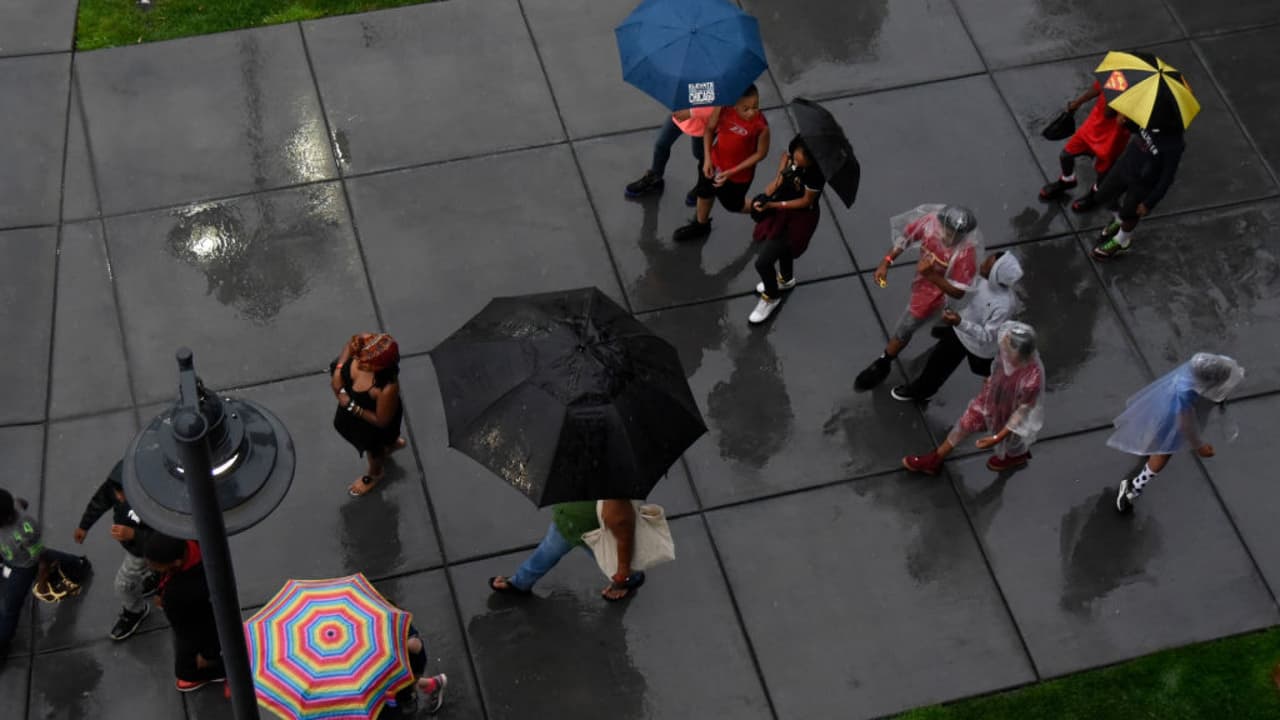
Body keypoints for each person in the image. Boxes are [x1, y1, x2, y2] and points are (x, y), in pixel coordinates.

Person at [855, 205, 982, 391]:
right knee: (941, 316)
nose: (951, 237)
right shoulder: (929, 224)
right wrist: (886, 262)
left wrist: (931, 275)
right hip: (924, 281)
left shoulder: (965, 255)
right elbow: (905, 239)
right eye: (948, 230)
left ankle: (884, 361)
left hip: (935, 293)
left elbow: (958, 291)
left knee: (907, 324)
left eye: (957, 234)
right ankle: (943, 327)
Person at [902, 322, 1046, 474]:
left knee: (1012, 438)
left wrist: (997, 437)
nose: (1002, 352)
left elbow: (1021, 412)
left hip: (1007, 410)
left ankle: (1016, 455)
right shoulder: (1008, 355)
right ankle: (935, 459)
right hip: (989, 399)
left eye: (1006, 349)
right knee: (965, 423)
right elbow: (997, 369)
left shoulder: (1031, 380)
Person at [1111, 353, 1244, 514]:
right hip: (1170, 415)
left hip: (1164, 401)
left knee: (1156, 430)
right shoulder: (1185, 392)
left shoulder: (1202, 364)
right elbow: (1185, 425)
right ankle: (1133, 486)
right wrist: (1199, 446)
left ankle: (1150, 446)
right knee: (1164, 452)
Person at [891, 251, 1023, 402]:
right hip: (960, 332)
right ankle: (922, 391)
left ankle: (1006, 386)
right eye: (987, 259)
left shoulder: (1003, 306)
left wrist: (959, 322)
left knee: (986, 369)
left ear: (995, 276)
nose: (983, 263)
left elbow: (987, 336)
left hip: (980, 347)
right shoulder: (983, 280)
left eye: (987, 265)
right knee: (938, 364)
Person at [488, 500, 646, 601]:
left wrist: (623, 571)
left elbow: (622, 527)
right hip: (569, 522)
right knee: (547, 552)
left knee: (607, 558)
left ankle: (629, 577)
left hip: (589, 529)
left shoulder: (614, 495)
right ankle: (520, 582)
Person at [73, 460, 160, 641]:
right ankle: (155, 575)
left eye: (123, 494)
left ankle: (135, 610)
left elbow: (165, 540)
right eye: (116, 493)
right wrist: (84, 525)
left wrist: (133, 534)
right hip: (137, 545)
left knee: (123, 585)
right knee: (155, 565)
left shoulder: (157, 503)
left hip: (140, 551)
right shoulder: (117, 485)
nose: (119, 498)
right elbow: (100, 500)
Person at [0, 489, 91, 661]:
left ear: (5, 519)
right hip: (10, 553)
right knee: (47, 554)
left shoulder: (25, 530)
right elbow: (21, 502)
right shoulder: (13, 507)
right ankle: (77, 565)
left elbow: (40, 560)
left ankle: (2, 644)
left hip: (23, 566)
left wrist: (42, 583)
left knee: (10, 607)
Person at [672, 85, 770, 242]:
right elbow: (709, 130)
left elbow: (761, 154)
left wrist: (732, 172)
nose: (752, 112)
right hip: (714, 164)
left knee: (733, 205)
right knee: (704, 193)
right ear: (734, 105)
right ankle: (701, 224)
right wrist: (707, 159)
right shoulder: (723, 110)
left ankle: (764, 210)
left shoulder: (761, 126)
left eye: (755, 106)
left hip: (738, 176)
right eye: (746, 108)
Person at [746, 134, 827, 324]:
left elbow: (806, 201)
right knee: (784, 251)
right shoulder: (792, 160)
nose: (797, 161)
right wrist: (781, 172)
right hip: (781, 212)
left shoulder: (816, 175)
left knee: (763, 263)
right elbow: (777, 185)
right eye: (796, 154)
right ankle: (786, 279)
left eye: (803, 159)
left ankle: (771, 297)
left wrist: (773, 206)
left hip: (799, 219)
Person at [1090, 123, 1186, 259]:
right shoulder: (1148, 118)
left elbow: (1167, 178)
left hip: (1144, 183)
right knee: (1103, 195)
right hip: (1125, 166)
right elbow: (1134, 129)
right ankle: (1118, 219)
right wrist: (1126, 121)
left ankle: (1122, 241)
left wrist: (1149, 203)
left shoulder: (1174, 145)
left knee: (1130, 214)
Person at [144, 534, 224, 692]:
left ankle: (218, 670)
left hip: (200, 626)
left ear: (177, 562)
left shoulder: (179, 595)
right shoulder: (196, 543)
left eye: (156, 565)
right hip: (200, 615)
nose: (150, 567)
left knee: (186, 671)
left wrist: (208, 655)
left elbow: (194, 628)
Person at [331, 333, 406, 497]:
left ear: (381, 366)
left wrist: (350, 405)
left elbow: (381, 421)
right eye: (358, 358)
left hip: (370, 423)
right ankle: (392, 443)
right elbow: (349, 347)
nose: (358, 363)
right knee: (387, 439)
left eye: (366, 364)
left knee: (374, 451)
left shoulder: (387, 388)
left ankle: (375, 474)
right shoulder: (365, 343)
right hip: (355, 415)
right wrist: (338, 370)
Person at [1039, 80, 1131, 212]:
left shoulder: (1138, 98)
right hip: (1092, 128)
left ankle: (1095, 196)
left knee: (1102, 172)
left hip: (1112, 140)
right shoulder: (1118, 76)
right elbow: (1096, 88)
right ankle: (1067, 180)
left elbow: (1108, 113)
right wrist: (1077, 103)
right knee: (1066, 154)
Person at [624, 107, 717, 206]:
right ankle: (655, 177)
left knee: (700, 154)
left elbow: (721, 104)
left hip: (704, 125)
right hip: (680, 116)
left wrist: (691, 112)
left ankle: (703, 186)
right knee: (661, 144)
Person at [381, 626, 447, 716]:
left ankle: (410, 699)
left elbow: (415, 646)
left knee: (401, 688)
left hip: (402, 667)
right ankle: (433, 684)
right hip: (398, 668)